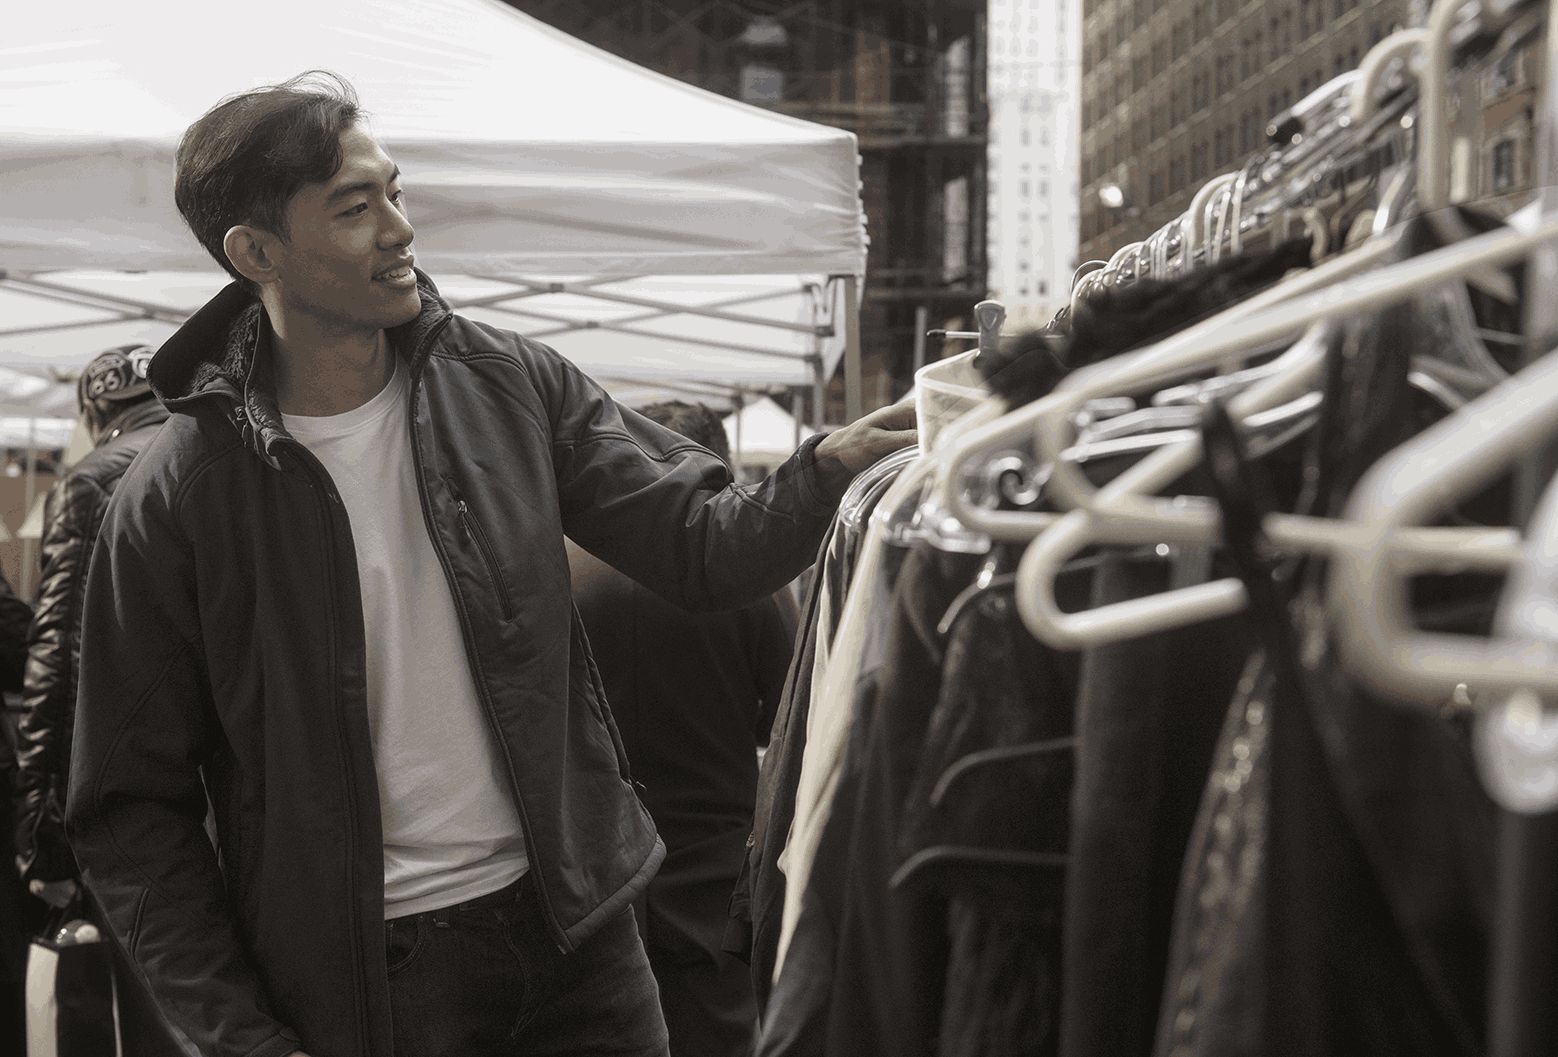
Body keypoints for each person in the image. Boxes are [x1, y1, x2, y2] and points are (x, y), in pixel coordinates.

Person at [65, 71, 915, 1057]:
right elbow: (127, 809)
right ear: (256, 252)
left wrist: (833, 465)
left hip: (582, 938)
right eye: (354, 207)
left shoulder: (508, 384)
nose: (399, 228)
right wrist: (239, 1035)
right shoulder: (178, 496)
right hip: (371, 983)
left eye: (394, 191)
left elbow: (704, 546)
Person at [567, 401, 798, 1057]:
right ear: (715, 469)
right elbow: (786, 721)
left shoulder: (562, 565)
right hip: (714, 883)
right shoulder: (752, 577)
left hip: (597, 873)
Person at [11, 345, 182, 1054]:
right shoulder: (227, 456)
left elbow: (62, 657)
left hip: (133, 788)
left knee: (135, 1011)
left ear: (93, 412)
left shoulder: (94, 480)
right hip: (244, 790)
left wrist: (45, 832)